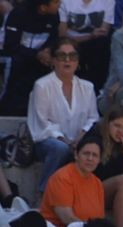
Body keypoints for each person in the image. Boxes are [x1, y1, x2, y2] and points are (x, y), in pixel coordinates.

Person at [27, 41, 99, 196]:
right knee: (60, 149)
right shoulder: (41, 85)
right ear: (53, 60)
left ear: (78, 60)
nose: (67, 60)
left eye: (72, 56)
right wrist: (65, 141)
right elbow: (42, 123)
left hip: (78, 140)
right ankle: (44, 193)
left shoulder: (88, 87)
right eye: (62, 56)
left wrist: (79, 139)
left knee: (91, 149)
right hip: (46, 141)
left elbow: (92, 118)